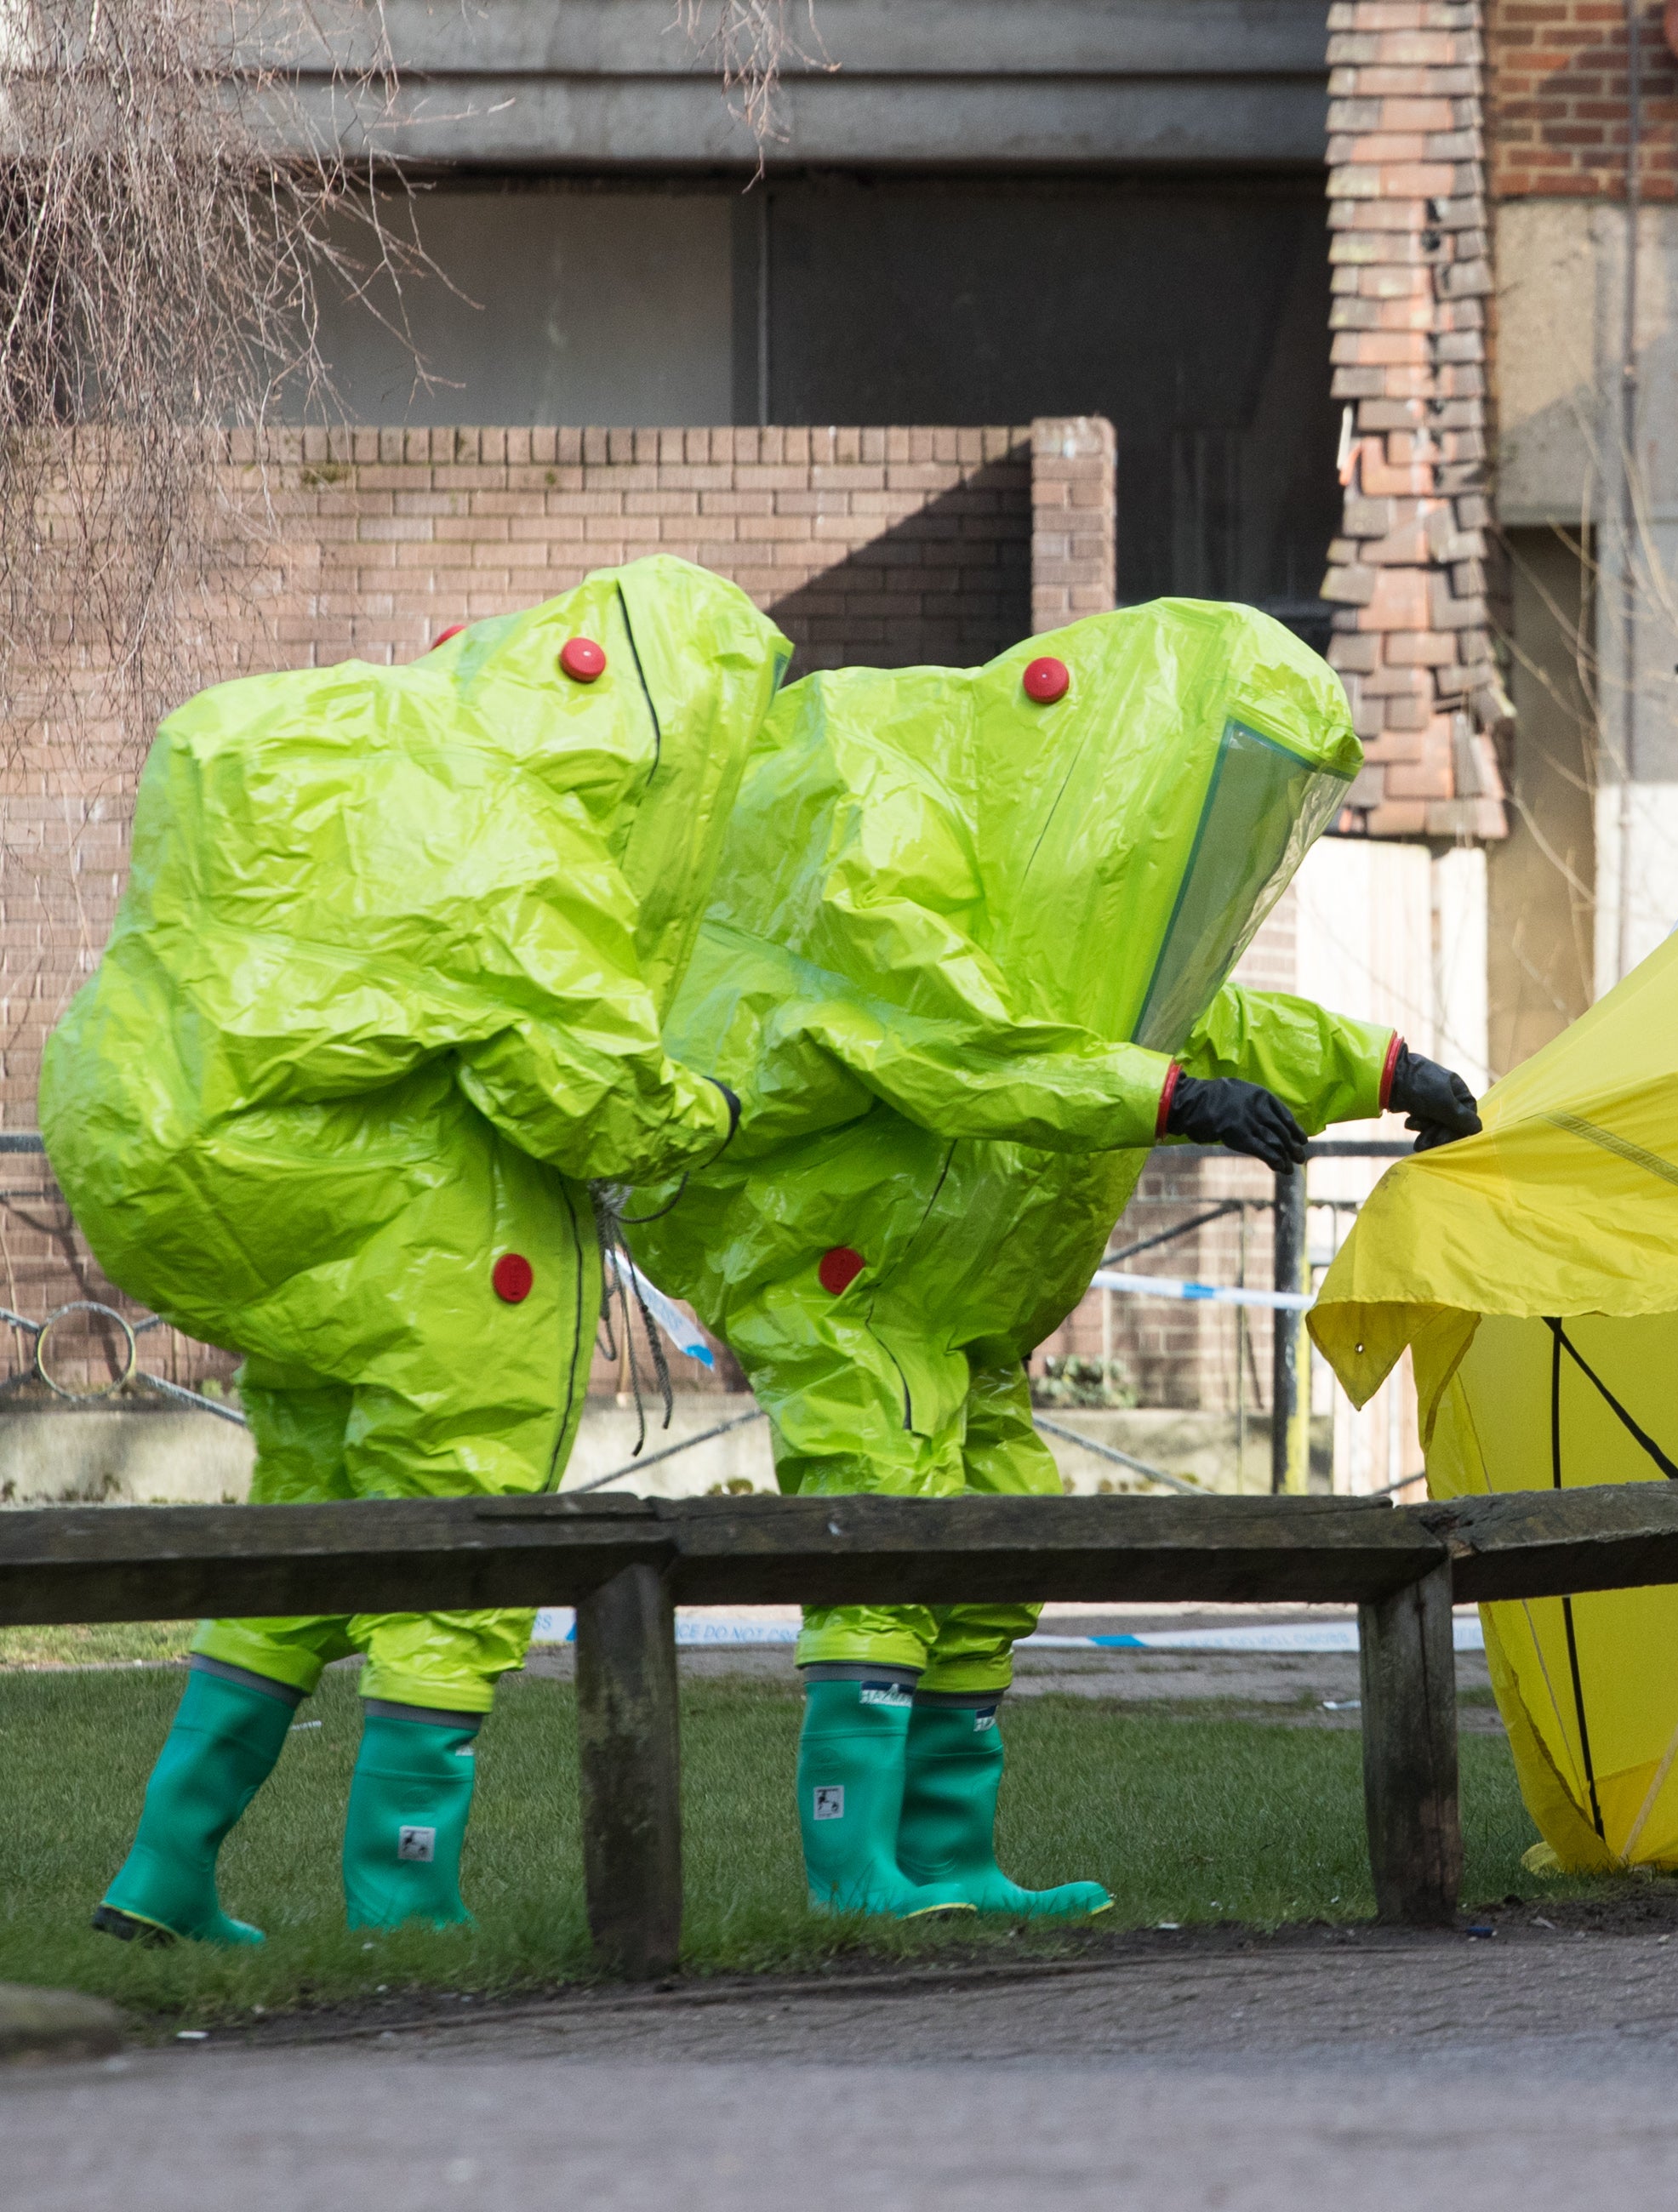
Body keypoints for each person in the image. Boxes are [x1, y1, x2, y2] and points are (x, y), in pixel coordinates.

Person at [633, 598, 1478, 1920]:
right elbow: (952, 1041)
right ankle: (853, 1869)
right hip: (846, 1265)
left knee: (997, 1531)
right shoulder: (889, 824)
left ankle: (951, 1856)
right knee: (885, 1524)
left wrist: (1381, 1070)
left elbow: (1183, 1010)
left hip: (966, 1289)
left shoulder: (1075, 895)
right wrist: (1167, 1097)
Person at [45, 556, 788, 1941]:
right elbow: (586, 1094)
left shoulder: (362, 749)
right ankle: (405, 1901)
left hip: (235, 1195)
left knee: (304, 1540)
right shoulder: (517, 837)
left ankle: (162, 1872)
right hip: (438, 1246)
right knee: (458, 1549)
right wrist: (716, 1109)